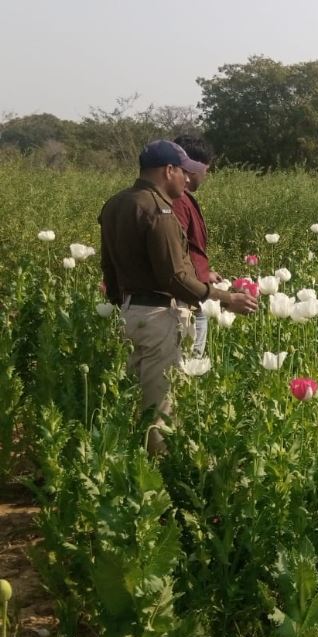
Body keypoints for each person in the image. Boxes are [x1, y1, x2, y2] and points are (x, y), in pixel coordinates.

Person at [99, 140, 257, 453]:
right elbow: (175, 278)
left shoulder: (116, 204)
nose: (186, 179)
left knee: (130, 403)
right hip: (159, 317)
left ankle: (127, 465)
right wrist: (226, 299)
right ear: (167, 170)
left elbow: (109, 267)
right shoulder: (160, 212)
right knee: (160, 408)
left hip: (130, 314)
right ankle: (159, 482)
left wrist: (124, 306)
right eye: (182, 172)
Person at [172, 134, 220, 357]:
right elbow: (175, 247)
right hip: (185, 295)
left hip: (192, 287)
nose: (205, 176)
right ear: (193, 169)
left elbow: (187, 246)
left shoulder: (181, 198)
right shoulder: (178, 200)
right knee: (189, 362)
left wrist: (204, 272)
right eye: (206, 171)